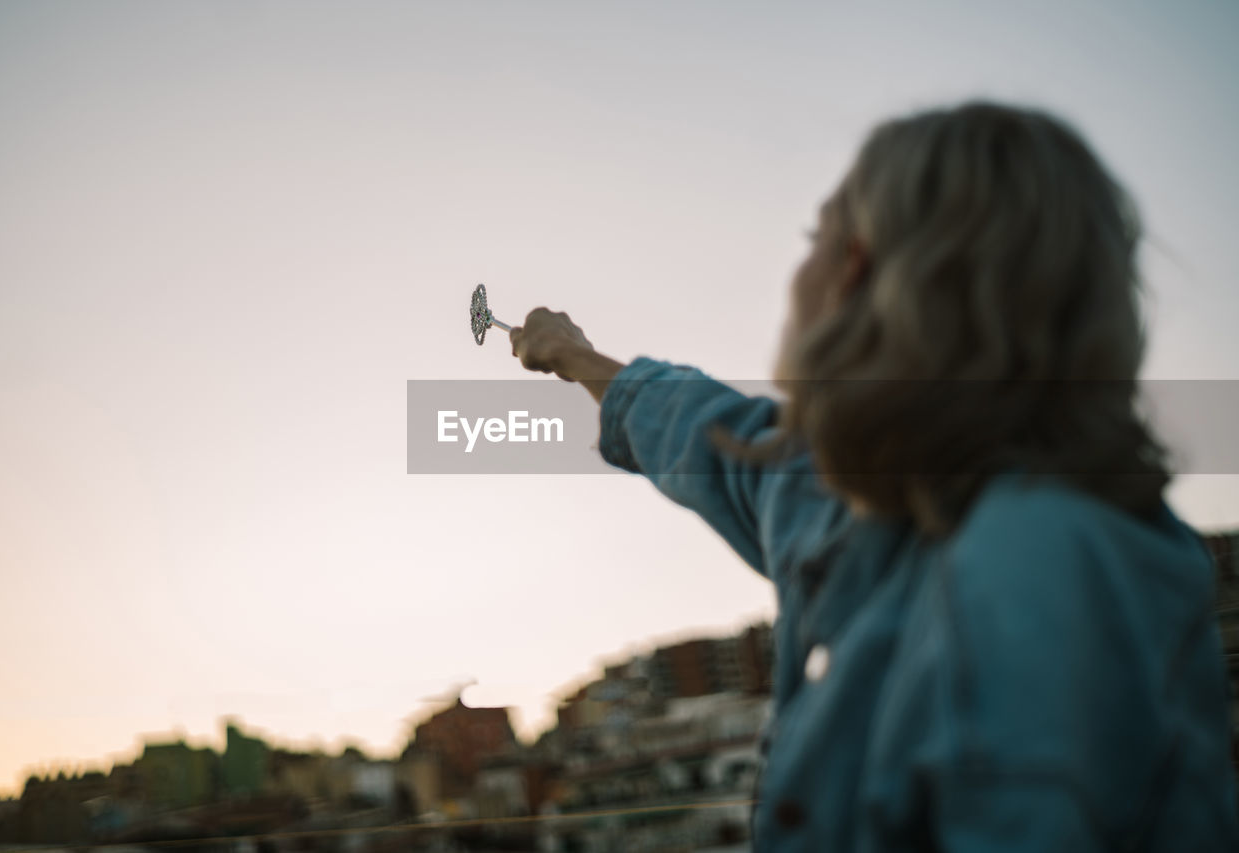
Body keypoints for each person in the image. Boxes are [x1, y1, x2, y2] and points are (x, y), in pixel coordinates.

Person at [507, 102, 1239, 851]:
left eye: (815, 239)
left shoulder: (1033, 576)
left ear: (860, 273)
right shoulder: (861, 498)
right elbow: (716, 440)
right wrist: (576, 357)